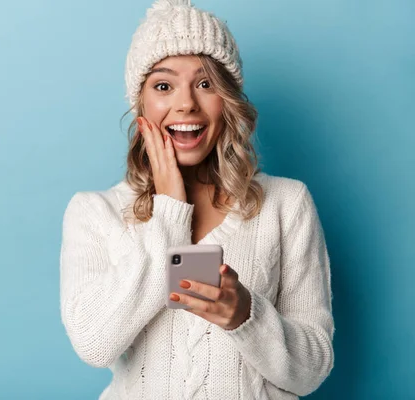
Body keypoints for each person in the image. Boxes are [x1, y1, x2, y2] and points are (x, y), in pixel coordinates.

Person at [59, 0, 335, 398]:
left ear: (228, 99)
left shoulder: (285, 204)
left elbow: (312, 370)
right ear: (140, 103)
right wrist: (169, 209)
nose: (186, 103)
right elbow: (94, 344)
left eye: (205, 84)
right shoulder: (95, 212)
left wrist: (246, 316)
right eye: (163, 85)